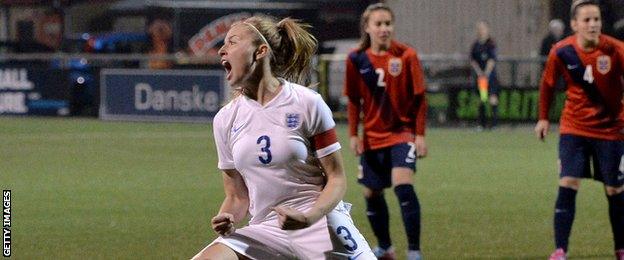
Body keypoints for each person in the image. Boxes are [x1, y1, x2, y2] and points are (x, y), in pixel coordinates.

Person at [191, 15, 375, 259]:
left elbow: (336, 178)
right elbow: (236, 195)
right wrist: (228, 217)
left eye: (232, 42)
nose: (222, 50)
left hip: (318, 223)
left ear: (261, 51)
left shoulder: (307, 104)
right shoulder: (225, 119)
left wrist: (309, 217)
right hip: (266, 230)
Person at [534, 0, 624, 259]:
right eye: (587, 20)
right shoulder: (561, 51)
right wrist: (543, 118)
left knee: (615, 190)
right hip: (575, 128)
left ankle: (620, 248)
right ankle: (560, 249)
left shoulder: (616, 50)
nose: (593, 24)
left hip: (611, 130)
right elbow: (548, 85)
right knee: (568, 182)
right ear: (574, 25)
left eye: (596, 19)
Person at [343, 3, 427, 260]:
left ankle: (414, 251)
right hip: (371, 137)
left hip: (401, 134)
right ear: (367, 27)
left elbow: (420, 98)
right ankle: (386, 247)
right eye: (378, 24)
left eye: (388, 23)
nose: (384, 29)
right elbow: (354, 100)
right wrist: (354, 135)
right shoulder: (356, 59)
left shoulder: (406, 55)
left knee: (403, 187)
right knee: (371, 193)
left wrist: (420, 135)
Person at [469, 21, 499, 130]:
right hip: (481, 77)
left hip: (490, 76)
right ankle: (482, 124)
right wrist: (479, 73)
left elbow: (492, 60)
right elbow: (473, 60)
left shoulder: (491, 43)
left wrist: (486, 73)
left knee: (492, 98)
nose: (481, 31)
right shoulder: (476, 45)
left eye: (483, 28)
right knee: (482, 98)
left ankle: (494, 124)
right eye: (479, 28)